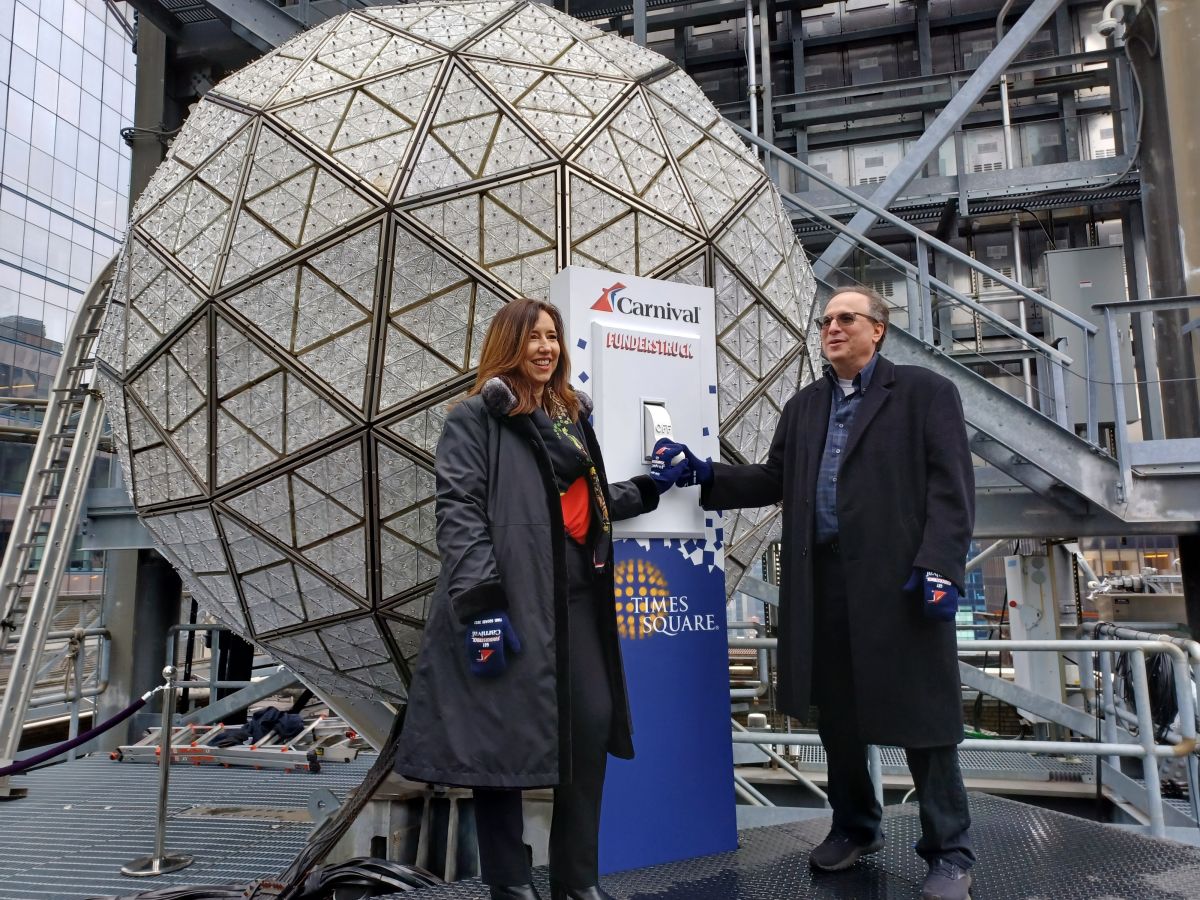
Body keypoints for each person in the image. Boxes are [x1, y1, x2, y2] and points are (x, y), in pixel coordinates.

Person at [659, 286, 976, 900]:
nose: (832, 328)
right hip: (821, 582)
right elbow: (775, 478)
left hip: (900, 585)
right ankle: (856, 828)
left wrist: (941, 565)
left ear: (877, 330)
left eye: (846, 319)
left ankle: (950, 853)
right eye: (827, 320)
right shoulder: (805, 406)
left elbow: (951, 489)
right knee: (838, 718)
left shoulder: (925, 394)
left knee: (924, 722)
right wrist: (704, 472)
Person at [395, 298, 688, 900]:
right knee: (499, 742)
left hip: (578, 593)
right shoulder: (475, 419)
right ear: (508, 344)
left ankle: (577, 884)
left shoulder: (569, 417)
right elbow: (459, 514)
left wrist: (649, 489)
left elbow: (591, 502)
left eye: (553, 337)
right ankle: (511, 885)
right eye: (532, 337)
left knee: (591, 725)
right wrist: (482, 608)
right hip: (508, 598)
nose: (545, 348)